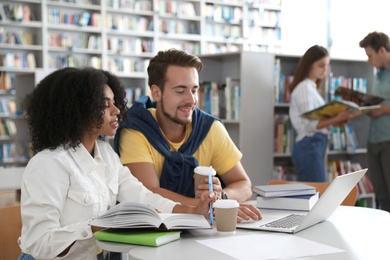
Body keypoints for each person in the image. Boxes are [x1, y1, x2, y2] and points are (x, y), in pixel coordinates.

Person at [17, 67, 216, 260]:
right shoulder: (48, 164)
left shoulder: (106, 153)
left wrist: (191, 211)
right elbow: (39, 243)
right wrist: (97, 226)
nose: (116, 110)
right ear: (78, 110)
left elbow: (142, 196)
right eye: (105, 104)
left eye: (115, 102)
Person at [114, 48, 261, 220]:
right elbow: (149, 194)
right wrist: (204, 207)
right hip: (152, 231)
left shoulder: (209, 128)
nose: (191, 100)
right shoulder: (136, 130)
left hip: (203, 230)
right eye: (180, 90)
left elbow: (244, 185)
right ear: (156, 93)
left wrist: (220, 199)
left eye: (194, 90)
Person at [288, 45, 353, 182]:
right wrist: (335, 118)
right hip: (310, 146)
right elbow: (310, 125)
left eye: (327, 65)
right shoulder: (304, 88)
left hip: (315, 146)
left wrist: (336, 121)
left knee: (317, 193)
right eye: (321, 65)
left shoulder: (312, 88)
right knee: (317, 194)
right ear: (309, 65)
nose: (325, 70)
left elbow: (317, 122)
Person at [359, 31, 390, 212]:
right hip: (374, 141)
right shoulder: (379, 75)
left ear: (383, 50)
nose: (369, 61)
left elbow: (383, 106)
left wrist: (383, 109)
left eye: (370, 55)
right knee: (381, 194)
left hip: (388, 141)